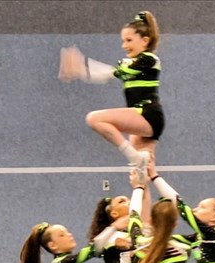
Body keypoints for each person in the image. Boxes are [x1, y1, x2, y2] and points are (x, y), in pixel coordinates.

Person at [59, 11, 162, 168]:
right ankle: (140, 163)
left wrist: (81, 67)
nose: (124, 45)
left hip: (148, 114)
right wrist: (80, 70)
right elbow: (107, 75)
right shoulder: (132, 62)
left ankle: (133, 156)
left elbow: (113, 73)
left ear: (144, 41)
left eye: (129, 40)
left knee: (94, 119)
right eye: (123, 41)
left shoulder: (149, 60)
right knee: (142, 173)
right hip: (140, 116)